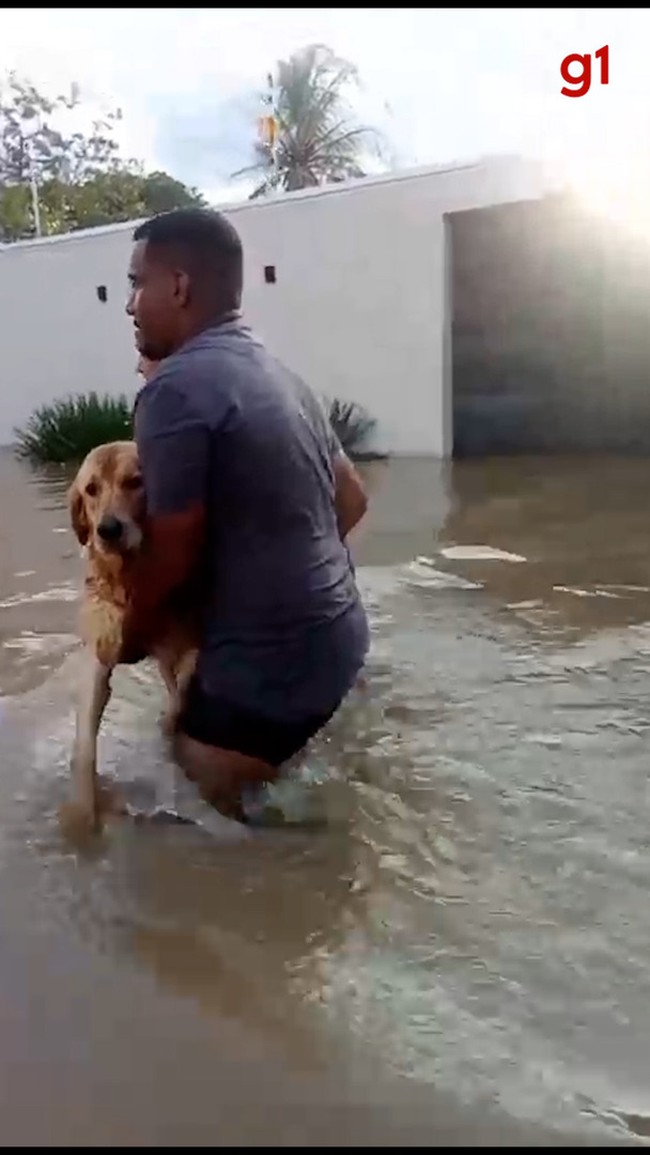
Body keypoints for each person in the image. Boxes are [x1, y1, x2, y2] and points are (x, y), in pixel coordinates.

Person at [121, 208, 370, 821]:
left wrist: (125, 637)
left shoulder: (173, 389)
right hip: (341, 646)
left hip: (266, 685)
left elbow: (172, 555)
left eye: (137, 283)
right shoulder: (284, 377)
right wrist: (280, 580)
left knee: (177, 802)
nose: (129, 305)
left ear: (178, 286)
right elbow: (352, 499)